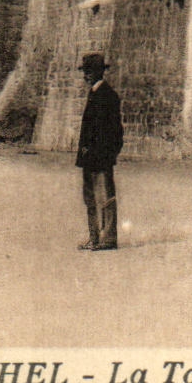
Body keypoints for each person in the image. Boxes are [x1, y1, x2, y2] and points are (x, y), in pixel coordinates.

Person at [75, 53, 123, 251]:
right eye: (85, 72)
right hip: (90, 158)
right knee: (91, 199)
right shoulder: (95, 93)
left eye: (89, 72)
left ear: (99, 72)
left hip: (100, 158)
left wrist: (107, 154)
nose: (85, 75)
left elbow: (115, 131)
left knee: (105, 198)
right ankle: (95, 237)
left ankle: (108, 238)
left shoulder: (108, 95)